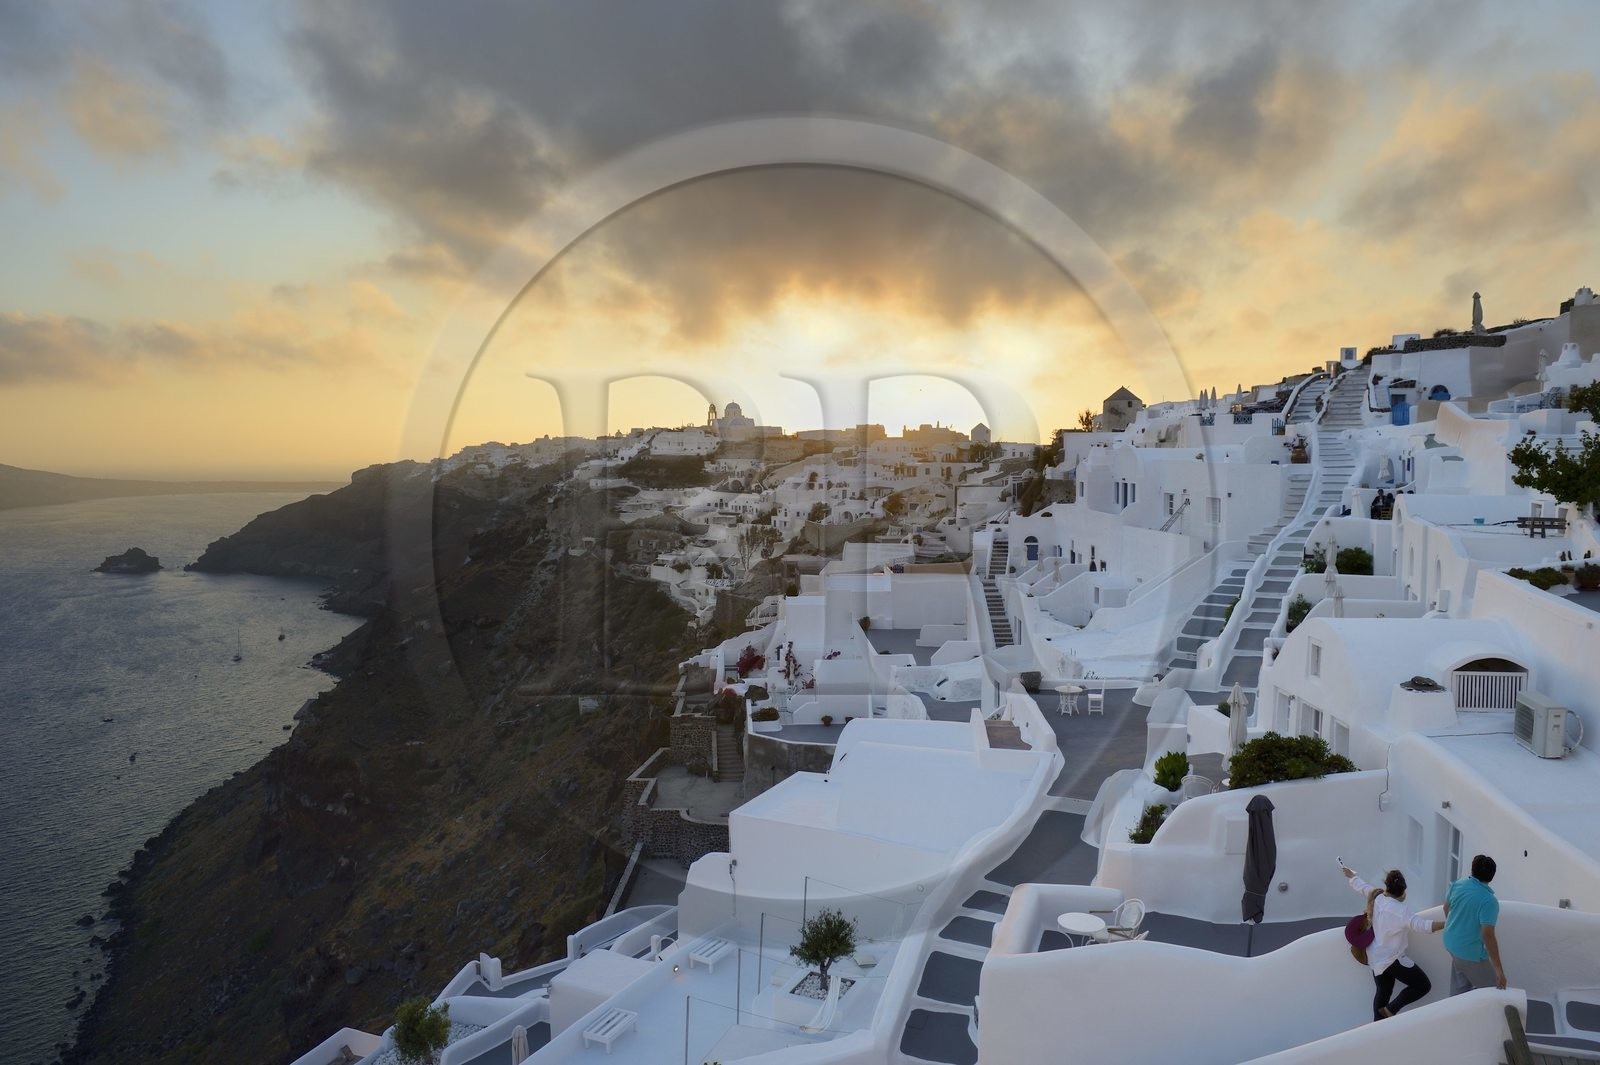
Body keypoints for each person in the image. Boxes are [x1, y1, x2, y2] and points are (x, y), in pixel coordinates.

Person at [1342, 863, 1445, 1020]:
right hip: (1391, 959)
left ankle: (1377, 1025)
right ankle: (1391, 1009)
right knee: (1423, 985)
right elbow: (1423, 926)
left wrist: (1351, 875)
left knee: (1383, 991)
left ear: (1386, 886)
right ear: (1403, 891)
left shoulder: (1376, 897)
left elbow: (1361, 886)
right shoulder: (1402, 911)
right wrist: (1448, 924)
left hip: (1374, 955)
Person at [1443, 854, 1506, 994]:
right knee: (1495, 990)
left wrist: (1456, 928)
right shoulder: (1489, 901)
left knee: (1460, 988)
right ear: (1491, 876)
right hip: (1469, 952)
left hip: (1451, 943)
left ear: (1472, 870)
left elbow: (1446, 908)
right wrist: (1498, 970)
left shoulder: (1458, 884)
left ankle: (1455, 1012)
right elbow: (1487, 935)